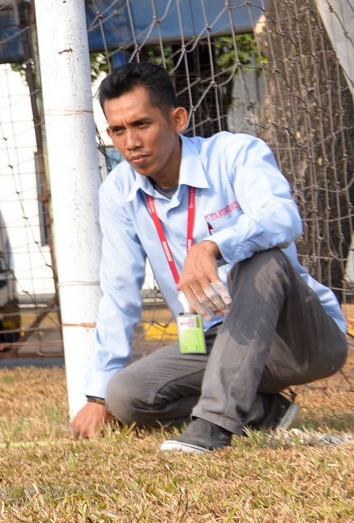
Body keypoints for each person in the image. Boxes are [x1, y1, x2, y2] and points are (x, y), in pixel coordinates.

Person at [73, 60, 347, 452]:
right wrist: (97, 395)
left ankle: (214, 426)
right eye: (117, 130)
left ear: (178, 119)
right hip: (212, 340)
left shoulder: (235, 153)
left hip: (298, 341)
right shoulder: (118, 191)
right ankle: (261, 412)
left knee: (261, 258)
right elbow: (120, 292)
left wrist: (213, 246)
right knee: (126, 395)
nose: (130, 142)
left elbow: (283, 217)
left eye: (141, 125)